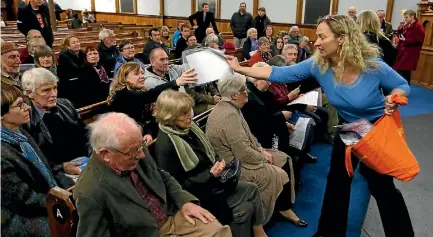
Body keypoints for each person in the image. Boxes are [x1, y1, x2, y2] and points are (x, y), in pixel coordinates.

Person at [225, 14, 414, 237]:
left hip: (375, 128)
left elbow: (401, 85)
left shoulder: (371, 65)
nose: (316, 42)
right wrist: (240, 68)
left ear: (342, 38)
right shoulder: (319, 65)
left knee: (381, 187)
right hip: (350, 128)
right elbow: (277, 73)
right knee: (337, 181)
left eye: (322, 37)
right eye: (316, 37)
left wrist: (395, 98)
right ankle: (329, 232)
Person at [73, 112, 232, 237]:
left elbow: (162, 176)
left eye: (141, 146)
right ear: (105, 154)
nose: (142, 155)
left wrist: (184, 201)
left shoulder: (133, 147)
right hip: (147, 233)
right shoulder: (89, 190)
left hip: (171, 215)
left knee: (219, 231)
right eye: (134, 152)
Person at [154, 90, 268, 237]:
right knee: (245, 209)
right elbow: (177, 186)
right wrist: (210, 174)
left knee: (252, 189)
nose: (190, 116)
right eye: (183, 114)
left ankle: (259, 231)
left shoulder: (189, 128)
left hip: (213, 183)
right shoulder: (166, 145)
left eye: (189, 110)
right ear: (170, 116)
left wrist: (217, 163)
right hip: (200, 195)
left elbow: (208, 153)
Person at [206, 73, 307, 227]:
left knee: (284, 158)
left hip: (242, 156)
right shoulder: (228, 116)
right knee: (277, 173)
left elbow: (248, 136)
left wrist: (260, 149)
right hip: (234, 166)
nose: (247, 92)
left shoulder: (232, 106)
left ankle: (282, 207)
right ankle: (264, 219)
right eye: (243, 90)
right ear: (234, 96)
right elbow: (243, 153)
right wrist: (262, 158)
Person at [1, 84, 73, 237]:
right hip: (24, 220)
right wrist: (63, 201)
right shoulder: (2, 154)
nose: (28, 107)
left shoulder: (20, 134)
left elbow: (47, 168)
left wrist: (70, 189)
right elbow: (24, 201)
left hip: (49, 200)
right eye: (19, 105)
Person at [21, 68, 90, 178]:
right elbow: (32, 160)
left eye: (55, 88)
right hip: (54, 173)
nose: (54, 94)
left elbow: (85, 134)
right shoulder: (24, 120)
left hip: (83, 162)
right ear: (30, 93)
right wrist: (61, 167)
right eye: (46, 90)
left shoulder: (65, 104)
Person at [108, 62, 197, 140]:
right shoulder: (122, 94)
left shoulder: (136, 91)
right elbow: (150, 95)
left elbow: (139, 118)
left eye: (142, 73)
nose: (142, 76)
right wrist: (175, 82)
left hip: (140, 130)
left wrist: (147, 132)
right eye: (136, 74)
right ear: (124, 77)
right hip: (123, 136)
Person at [393, 10, 425, 85]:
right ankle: (402, 85)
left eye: (406, 17)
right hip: (403, 50)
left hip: (411, 52)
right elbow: (401, 34)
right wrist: (400, 28)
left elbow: (419, 40)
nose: (405, 19)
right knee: (400, 69)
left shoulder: (418, 26)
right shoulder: (407, 25)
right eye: (404, 17)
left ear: (412, 16)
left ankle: (405, 86)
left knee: (404, 69)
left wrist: (406, 40)